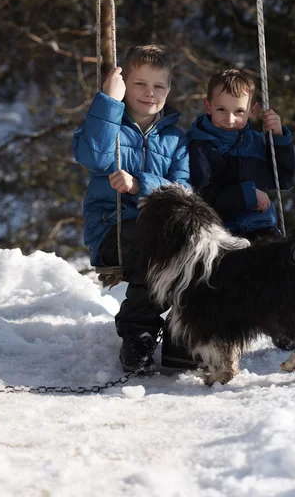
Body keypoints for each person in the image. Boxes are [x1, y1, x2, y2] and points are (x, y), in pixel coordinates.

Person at [73, 45, 191, 372]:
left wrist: (141, 184)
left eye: (159, 86)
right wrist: (108, 102)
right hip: (114, 228)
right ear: (125, 86)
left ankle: (183, 337)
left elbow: (184, 190)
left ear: (169, 90)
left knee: (193, 255)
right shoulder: (108, 124)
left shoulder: (176, 140)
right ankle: (138, 332)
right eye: (140, 84)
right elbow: (92, 157)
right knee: (155, 249)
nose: (149, 93)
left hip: (161, 231)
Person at [187, 69, 295, 350]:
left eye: (239, 111)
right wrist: (248, 194)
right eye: (221, 110)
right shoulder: (200, 145)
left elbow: (284, 180)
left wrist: (279, 138)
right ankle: (219, 335)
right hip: (220, 230)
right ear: (208, 106)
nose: (229, 119)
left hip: (259, 226)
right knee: (225, 281)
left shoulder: (257, 143)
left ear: (253, 111)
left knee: (280, 268)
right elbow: (204, 196)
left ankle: (283, 325)